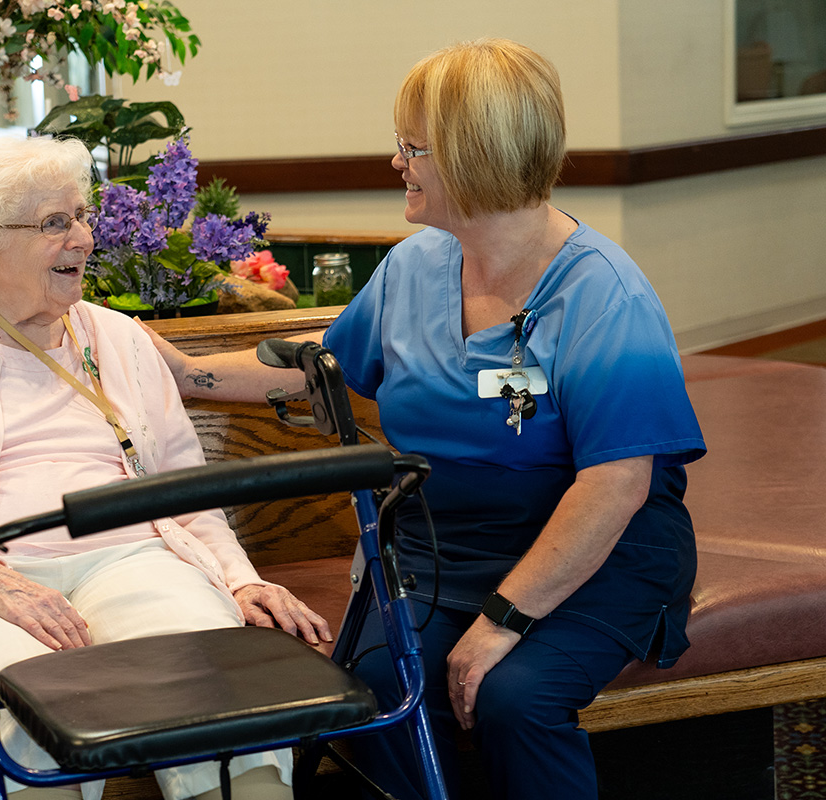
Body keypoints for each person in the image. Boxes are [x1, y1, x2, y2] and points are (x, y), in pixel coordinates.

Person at [146, 39, 705, 800]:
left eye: (411, 147)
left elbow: (614, 487)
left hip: (592, 563)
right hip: (442, 553)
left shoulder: (605, 295)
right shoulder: (418, 266)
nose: (395, 163)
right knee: (375, 690)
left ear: (476, 155)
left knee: (516, 696)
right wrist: (182, 371)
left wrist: (503, 620)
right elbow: (323, 368)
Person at [0, 135, 332, 800]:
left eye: (80, 215)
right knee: (34, 733)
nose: (83, 239)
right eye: (53, 224)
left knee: (227, 715)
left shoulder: (117, 337)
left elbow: (185, 490)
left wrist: (237, 580)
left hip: (132, 558)